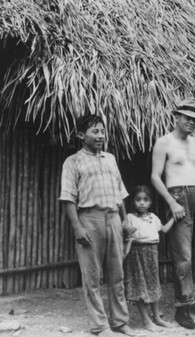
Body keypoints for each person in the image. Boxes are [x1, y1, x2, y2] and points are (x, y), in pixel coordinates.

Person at [59, 114, 135, 337]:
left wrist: (124, 219)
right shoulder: (73, 162)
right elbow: (67, 198)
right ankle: (100, 326)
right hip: (89, 219)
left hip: (112, 218)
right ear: (82, 135)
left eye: (102, 131)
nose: (100, 136)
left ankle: (120, 322)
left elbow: (120, 193)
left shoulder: (110, 159)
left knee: (117, 274)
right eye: (95, 131)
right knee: (92, 276)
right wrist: (77, 228)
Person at [151, 98, 195, 330]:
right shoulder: (164, 142)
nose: (191, 123)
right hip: (178, 197)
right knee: (184, 257)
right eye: (187, 118)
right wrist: (172, 203)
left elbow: (193, 170)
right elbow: (155, 177)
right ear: (176, 117)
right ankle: (183, 307)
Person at [123, 185, 173, 331]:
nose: (142, 203)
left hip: (152, 253)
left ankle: (157, 317)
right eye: (138, 200)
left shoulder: (153, 218)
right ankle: (146, 320)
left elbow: (163, 229)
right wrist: (125, 231)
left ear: (150, 202)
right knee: (140, 285)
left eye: (146, 200)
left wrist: (174, 219)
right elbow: (121, 230)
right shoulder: (130, 218)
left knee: (153, 284)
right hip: (137, 254)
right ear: (133, 202)